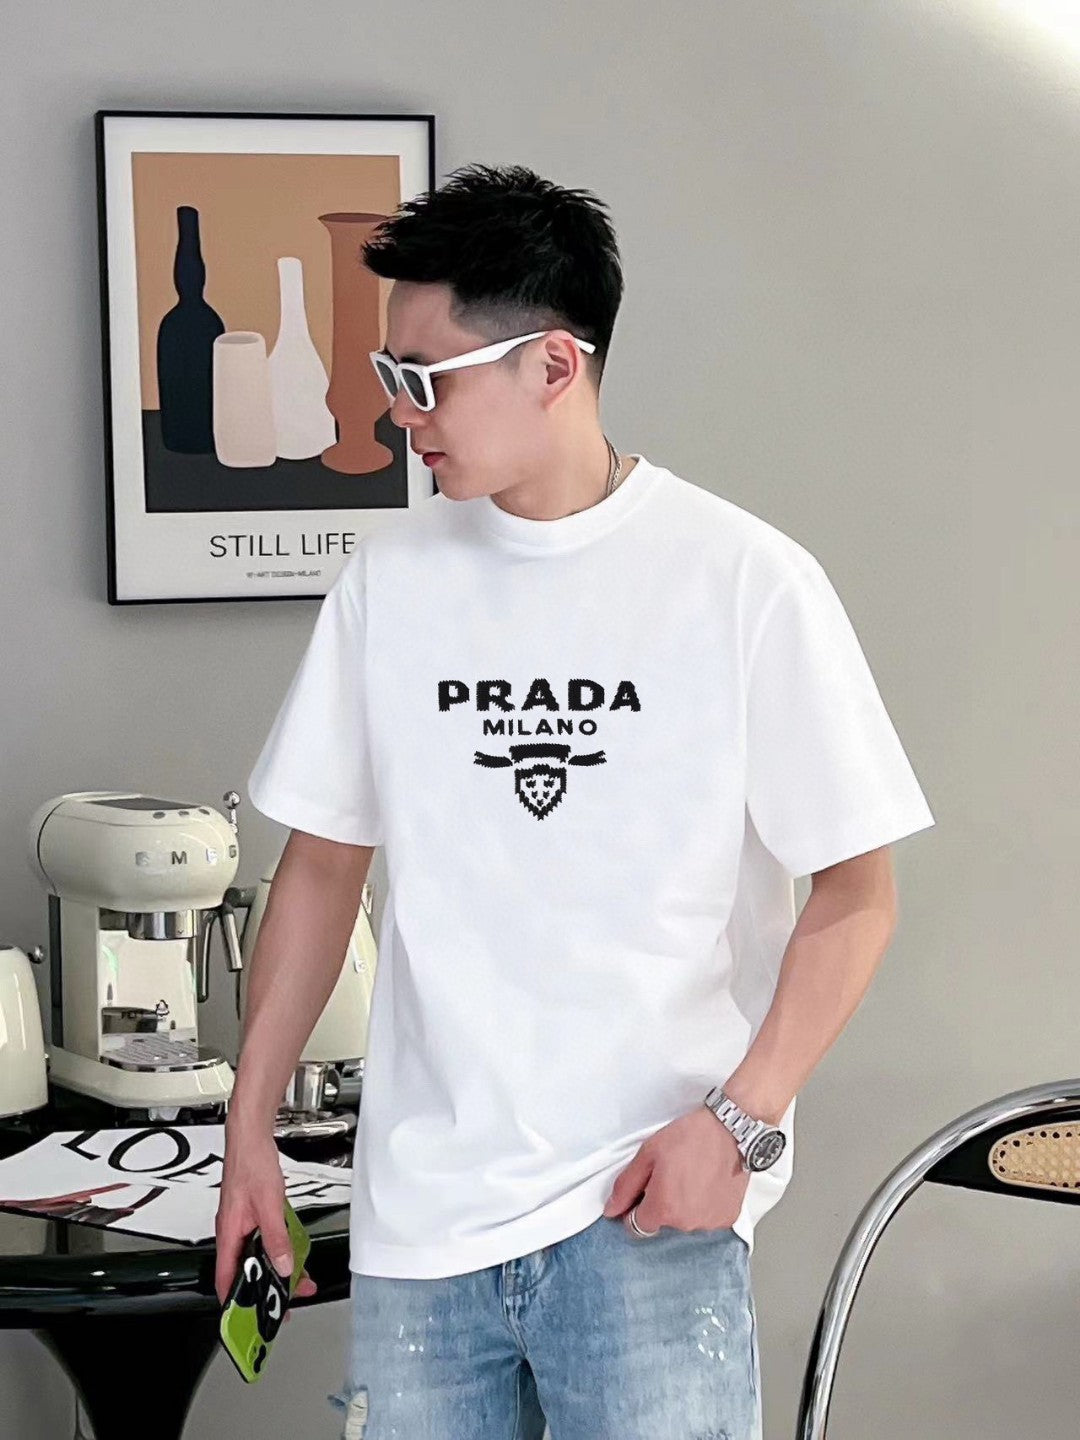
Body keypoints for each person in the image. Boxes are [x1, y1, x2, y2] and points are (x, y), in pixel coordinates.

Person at [215, 162, 936, 1439]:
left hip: (648, 1214)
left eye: (425, 380)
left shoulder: (743, 581)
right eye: (389, 376)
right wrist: (248, 1131)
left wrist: (741, 1120)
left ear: (554, 365)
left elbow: (858, 892)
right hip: (423, 1226)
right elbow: (322, 868)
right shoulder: (389, 584)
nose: (398, 413)